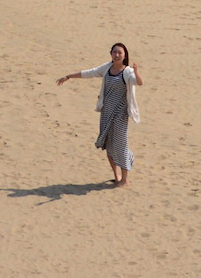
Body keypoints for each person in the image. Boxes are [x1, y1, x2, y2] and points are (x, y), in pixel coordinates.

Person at [57, 43, 143, 186]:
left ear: (125, 56)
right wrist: (69, 76)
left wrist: (136, 71)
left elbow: (139, 82)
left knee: (121, 145)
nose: (117, 55)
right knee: (108, 145)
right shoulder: (107, 68)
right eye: (114, 52)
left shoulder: (128, 72)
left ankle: (125, 179)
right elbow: (89, 73)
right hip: (106, 112)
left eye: (120, 53)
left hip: (120, 114)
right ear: (111, 54)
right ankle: (117, 176)